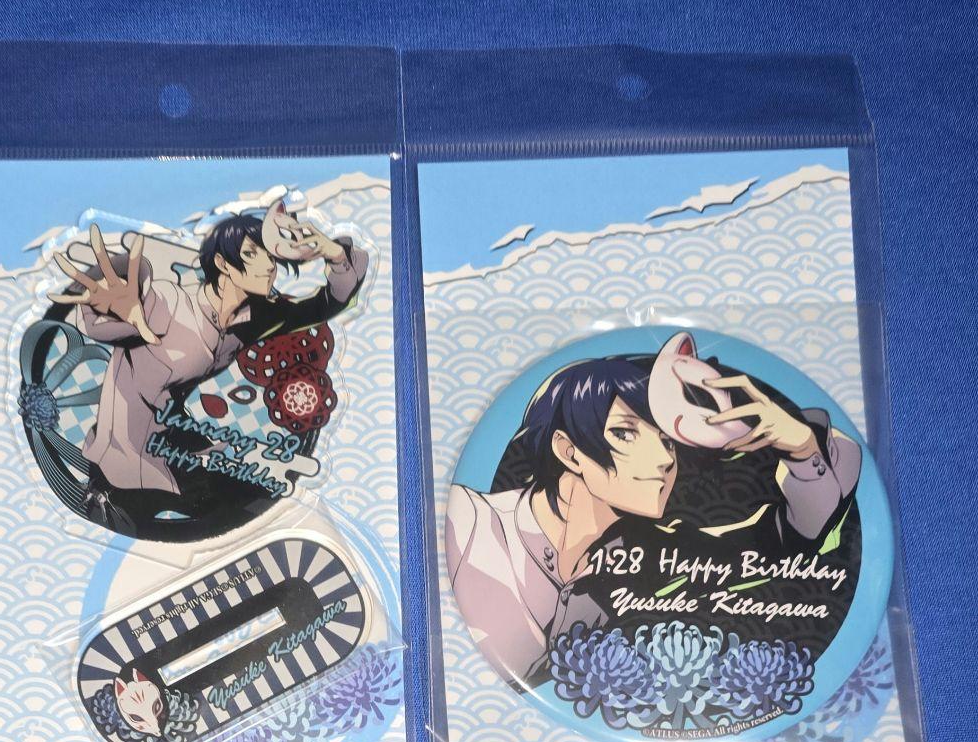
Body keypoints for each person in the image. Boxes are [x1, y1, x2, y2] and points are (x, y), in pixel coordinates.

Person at [445, 336, 861, 689]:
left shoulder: (648, 554)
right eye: (625, 433)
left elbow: (788, 538)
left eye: (668, 441)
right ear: (569, 451)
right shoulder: (470, 524)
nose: (663, 459)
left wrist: (804, 451)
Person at [47, 201, 367, 536]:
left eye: (270, 257)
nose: (268, 267)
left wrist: (334, 254)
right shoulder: (169, 304)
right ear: (221, 263)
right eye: (251, 254)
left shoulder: (255, 317)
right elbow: (110, 323)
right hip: (121, 463)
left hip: (175, 446)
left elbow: (325, 304)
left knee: (251, 501)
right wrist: (117, 308)